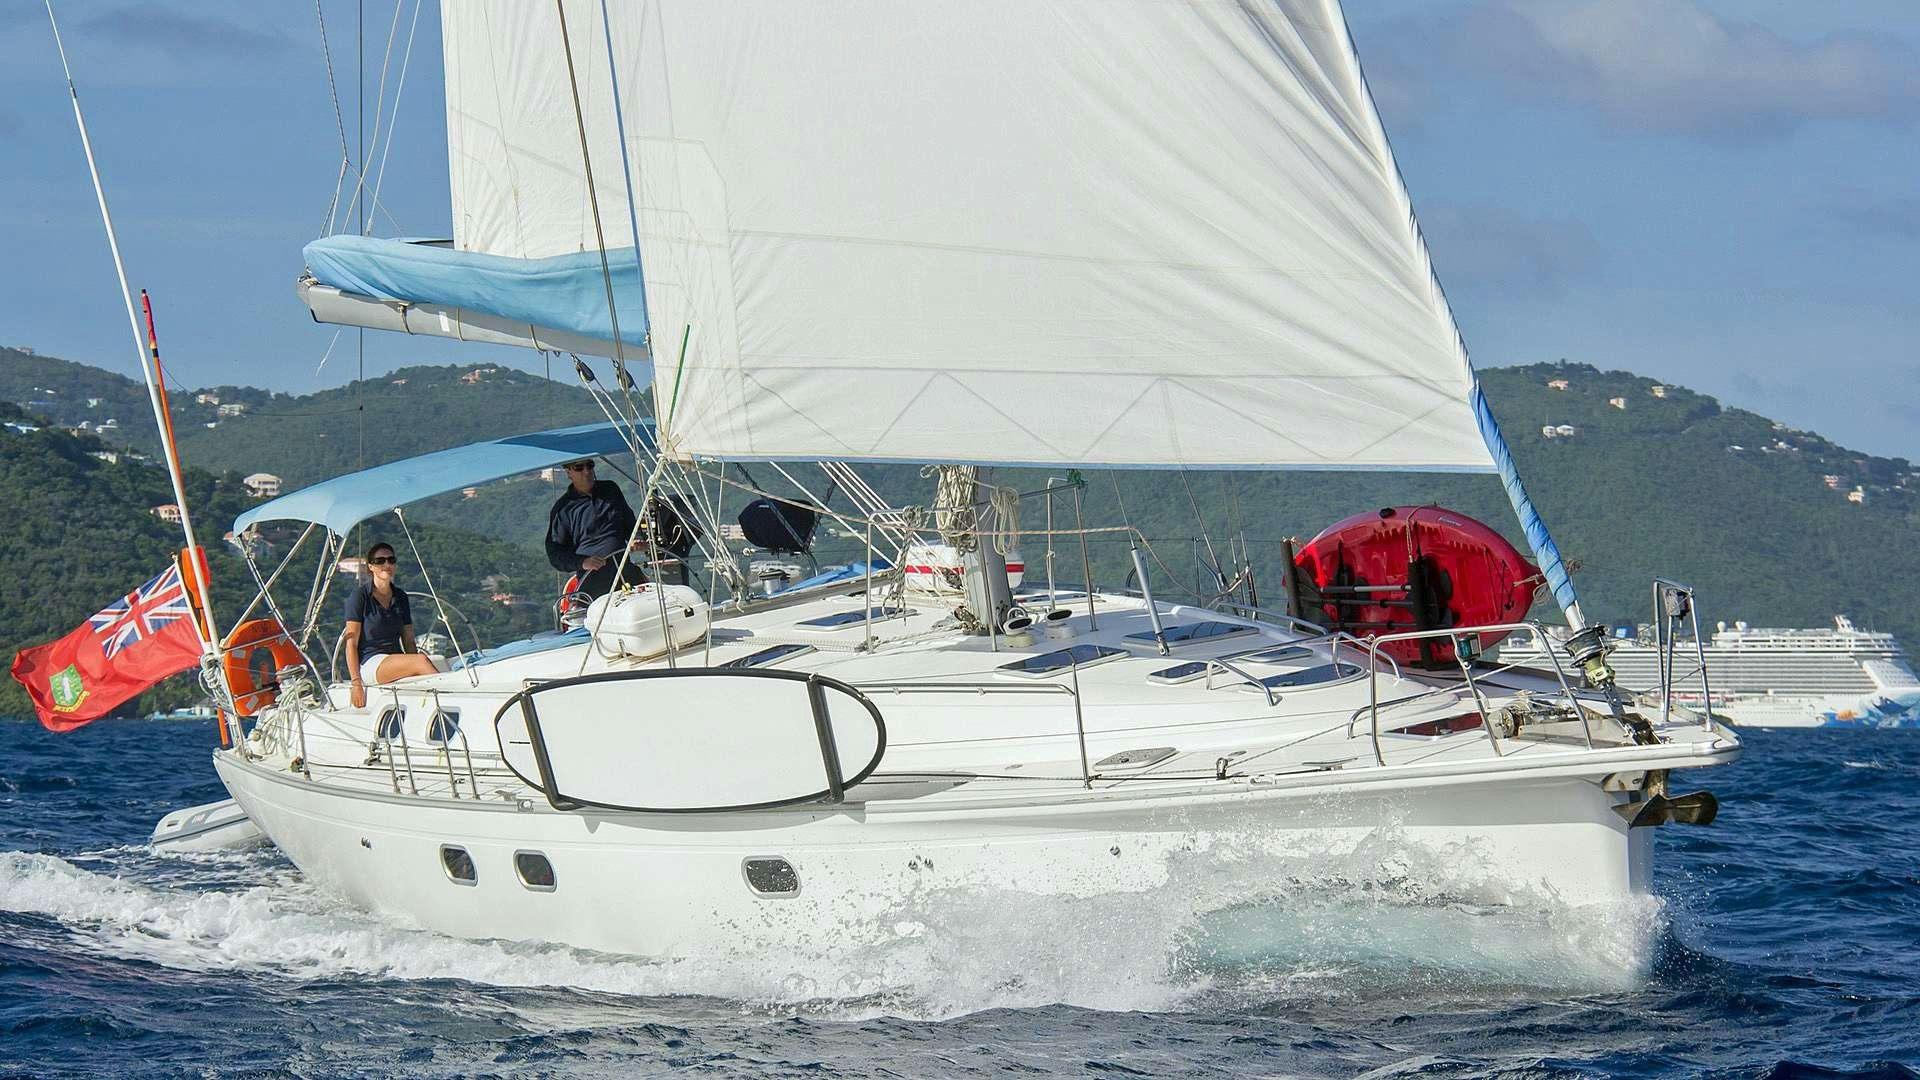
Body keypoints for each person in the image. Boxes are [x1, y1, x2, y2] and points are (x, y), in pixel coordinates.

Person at [343, 542, 439, 708]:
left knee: (423, 662)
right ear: (371, 566)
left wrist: (418, 679)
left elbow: (408, 640)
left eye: (391, 560)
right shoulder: (359, 597)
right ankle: (449, 699)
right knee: (421, 661)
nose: (386, 565)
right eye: (380, 561)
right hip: (371, 662)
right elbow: (351, 643)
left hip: (395, 657)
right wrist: (356, 683)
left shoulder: (400, 597)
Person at [546, 458, 648, 600]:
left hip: (626, 574)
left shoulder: (611, 489)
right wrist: (582, 562)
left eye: (590, 465)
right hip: (593, 585)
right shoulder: (563, 509)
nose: (587, 471)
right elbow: (555, 554)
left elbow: (629, 523)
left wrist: (637, 538)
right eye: (579, 468)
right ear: (568, 472)